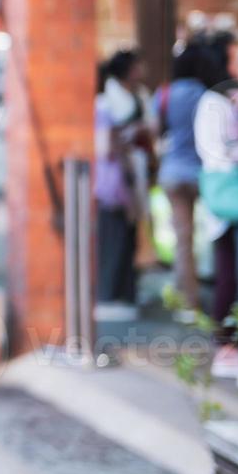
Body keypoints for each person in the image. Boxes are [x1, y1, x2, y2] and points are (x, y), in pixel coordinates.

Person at [196, 31, 238, 377]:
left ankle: (227, 343)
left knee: (228, 268)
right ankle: (227, 345)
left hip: (226, 195)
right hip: (229, 195)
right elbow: (221, 150)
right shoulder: (216, 102)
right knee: (230, 272)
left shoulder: (221, 100)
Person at [153, 45, 208, 310]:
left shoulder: (164, 94)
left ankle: (185, 297)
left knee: (182, 238)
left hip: (172, 171)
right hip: (200, 172)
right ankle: (190, 297)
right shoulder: (203, 95)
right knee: (194, 237)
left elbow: (155, 131)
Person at [94, 50, 150, 311]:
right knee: (115, 238)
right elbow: (105, 145)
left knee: (127, 238)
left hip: (128, 177)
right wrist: (130, 137)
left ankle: (125, 292)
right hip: (114, 181)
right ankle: (111, 294)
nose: (142, 71)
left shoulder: (136, 97)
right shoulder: (106, 104)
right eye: (138, 66)